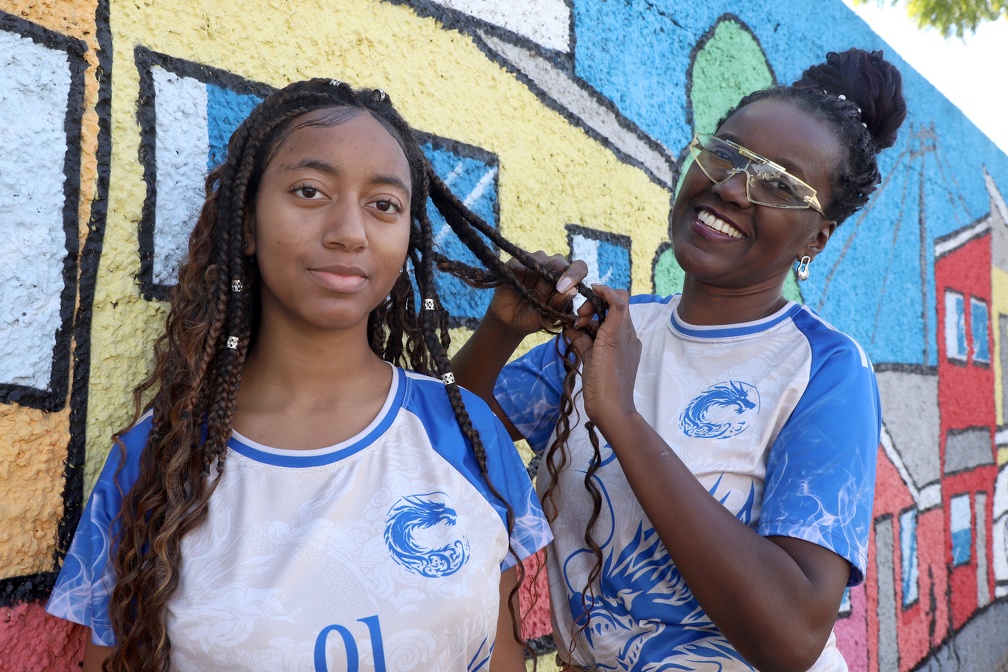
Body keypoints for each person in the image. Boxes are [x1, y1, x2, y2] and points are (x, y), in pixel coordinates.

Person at [46, 78, 564, 672]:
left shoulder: (467, 433)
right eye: (311, 190)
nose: (350, 231)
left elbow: (502, 650)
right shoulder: (158, 462)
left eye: (384, 205)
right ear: (245, 223)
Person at [452, 48, 907, 671]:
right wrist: (500, 330)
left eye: (778, 183)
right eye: (727, 154)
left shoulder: (824, 370)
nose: (730, 187)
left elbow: (791, 636)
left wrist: (623, 419)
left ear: (817, 238)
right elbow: (440, 443)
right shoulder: (610, 328)